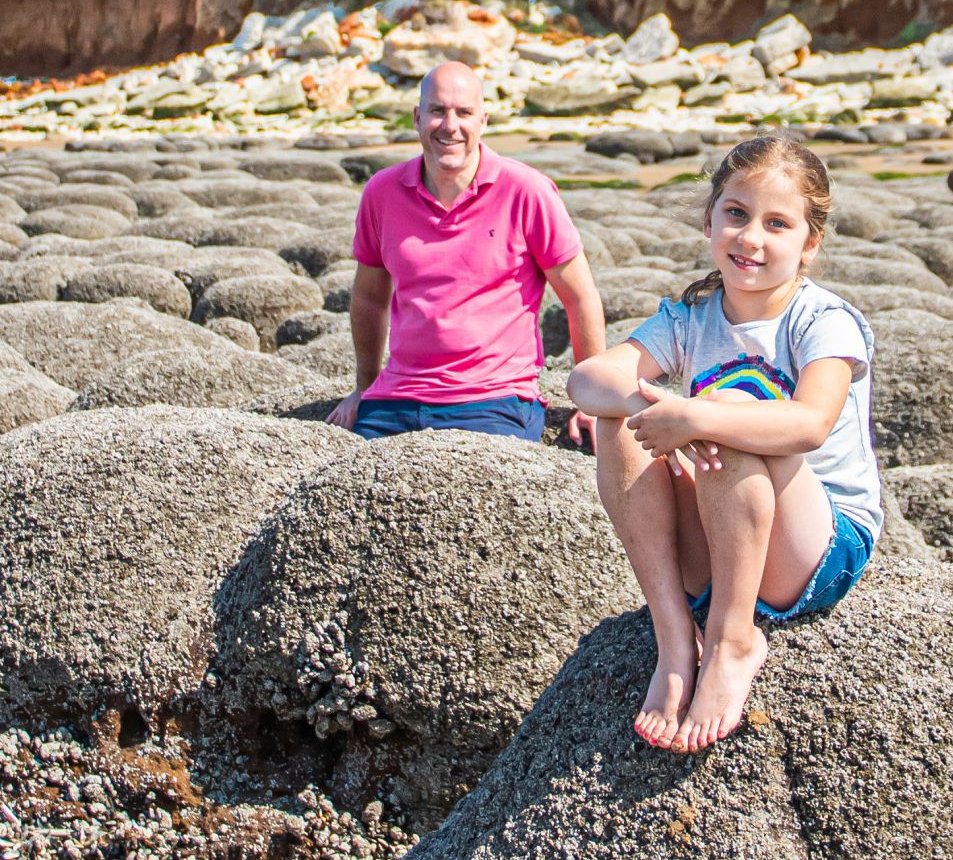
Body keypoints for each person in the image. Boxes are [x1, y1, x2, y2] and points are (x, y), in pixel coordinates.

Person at [566, 134, 880, 752]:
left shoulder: (824, 322)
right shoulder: (693, 315)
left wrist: (700, 419)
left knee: (729, 410)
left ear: (810, 244)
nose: (750, 238)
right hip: (723, 536)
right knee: (620, 423)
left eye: (777, 224)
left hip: (816, 546)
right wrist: (658, 412)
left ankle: (734, 641)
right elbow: (587, 378)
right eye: (736, 214)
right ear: (710, 216)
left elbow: (810, 423)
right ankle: (676, 638)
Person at [331, 61, 607, 445]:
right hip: (396, 398)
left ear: (483, 120)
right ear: (416, 117)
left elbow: (580, 298)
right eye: (438, 111)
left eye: (463, 113)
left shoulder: (527, 190)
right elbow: (368, 297)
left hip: (494, 398)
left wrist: (593, 403)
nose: (450, 125)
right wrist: (364, 387)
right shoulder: (382, 192)